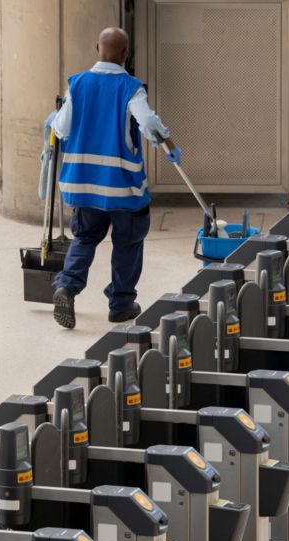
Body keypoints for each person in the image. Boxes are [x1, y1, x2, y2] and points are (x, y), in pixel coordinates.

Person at [50, 26, 180, 329]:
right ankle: (121, 305)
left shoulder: (78, 84)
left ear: (97, 48)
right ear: (126, 53)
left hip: (83, 185)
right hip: (123, 188)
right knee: (128, 242)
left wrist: (53, 122)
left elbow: (62, 128)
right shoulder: (130, 87)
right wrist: (170, 146)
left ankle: (66, 287)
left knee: (84, 237)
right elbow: (147, 122)